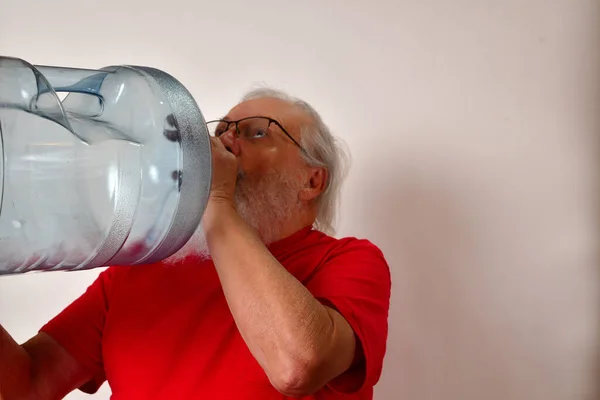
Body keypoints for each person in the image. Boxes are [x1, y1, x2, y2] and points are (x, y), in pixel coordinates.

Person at [0, 88, 391, 399]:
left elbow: (297, 366)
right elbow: (27, 385)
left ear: (312, 181)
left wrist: (216, 202)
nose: (225, 141)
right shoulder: (146, 263)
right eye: (222, 130)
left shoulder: (348, 261)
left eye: (256, 132)